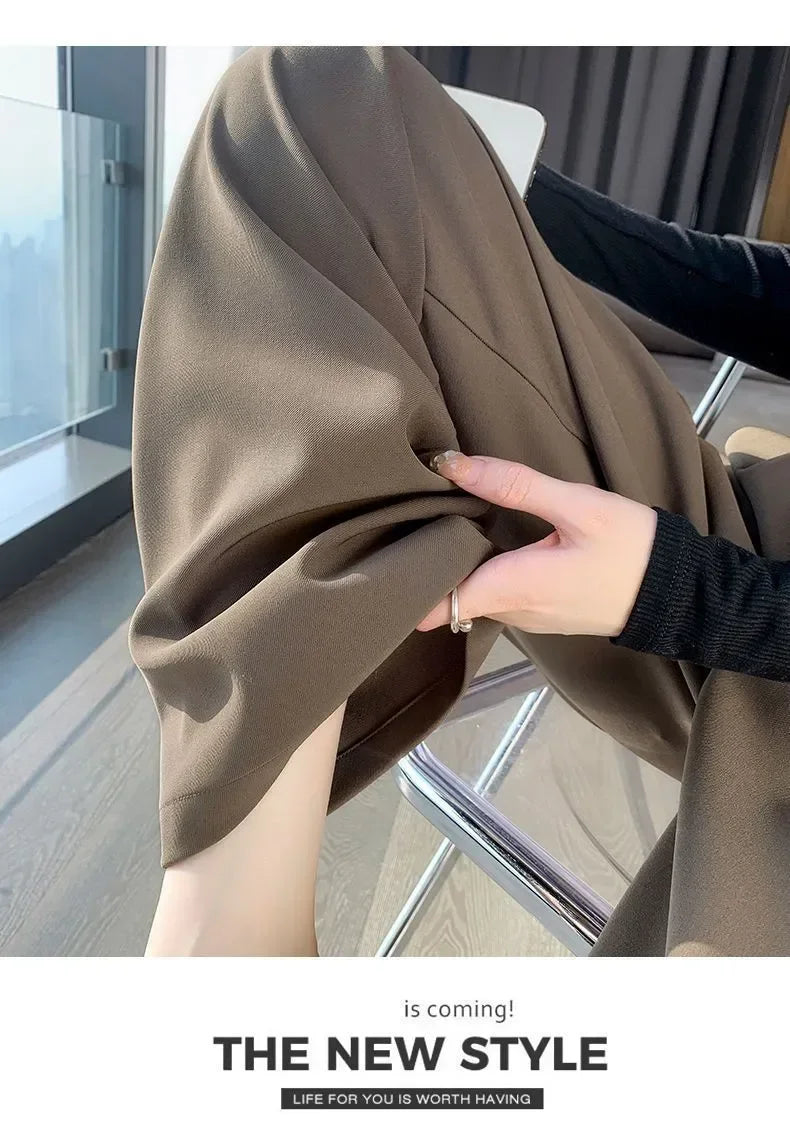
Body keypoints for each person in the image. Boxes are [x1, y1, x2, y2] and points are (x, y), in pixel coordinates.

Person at [131, 46, 790, 959]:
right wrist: (501, 191)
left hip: (760, 640)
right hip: (759, 537)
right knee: (315, 104)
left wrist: (690, 591)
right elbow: (768, 292)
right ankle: (236, 928)